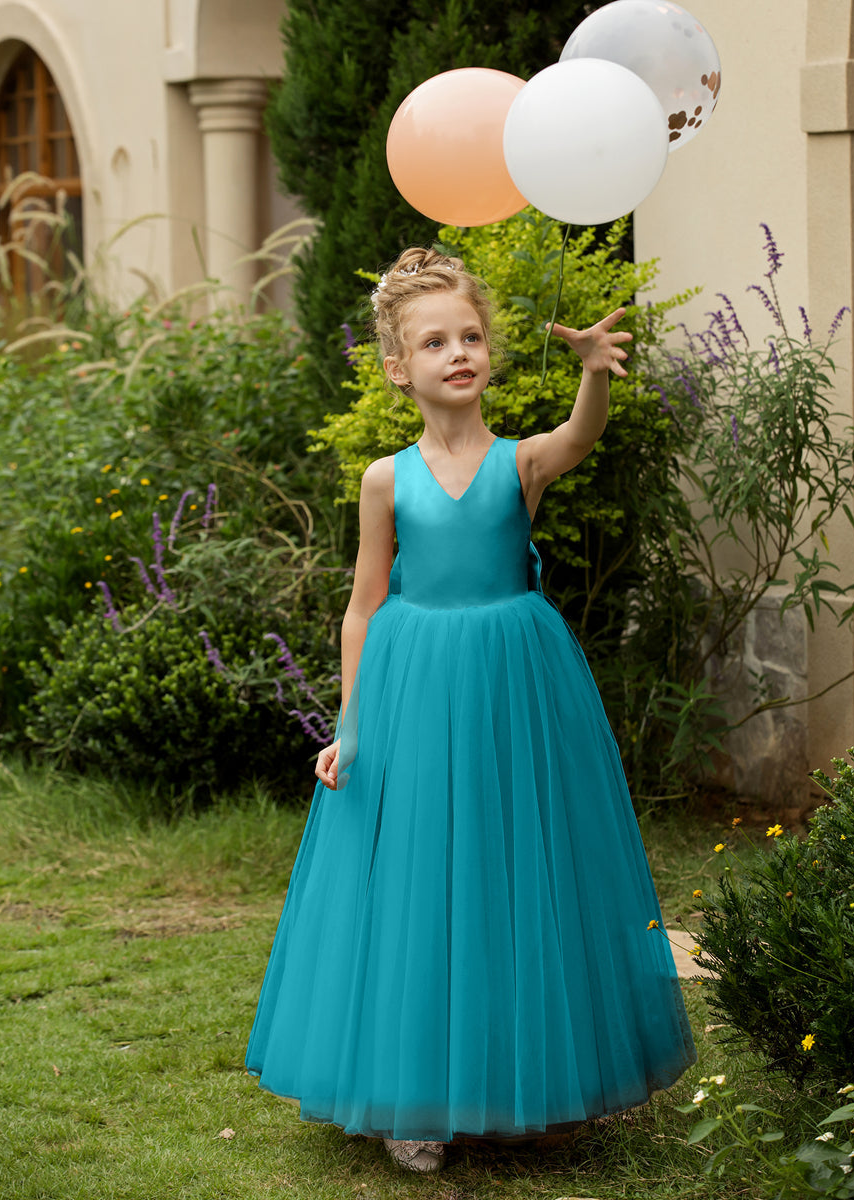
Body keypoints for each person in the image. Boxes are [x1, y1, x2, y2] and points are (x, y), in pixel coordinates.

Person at [245, 247, 697, 1174]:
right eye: (435, 342)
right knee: (419, 874)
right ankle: (413, 1094)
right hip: (413, 685)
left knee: (515, 865)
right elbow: (363, 606)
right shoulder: (386, 479)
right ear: (396, 368)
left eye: (471, 337)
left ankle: (524, 1076)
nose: (458, 353)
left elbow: (579, 439)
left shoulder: (518, 462)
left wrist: (592, 374)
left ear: (489, 351)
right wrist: (351, 727)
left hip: (513, 683)